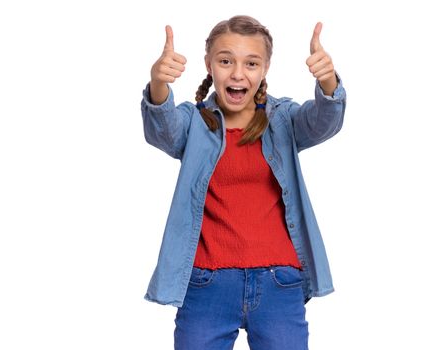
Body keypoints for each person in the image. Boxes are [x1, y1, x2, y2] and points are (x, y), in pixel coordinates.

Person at [141, 15, 346, 350]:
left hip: (279, 284)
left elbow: (321, 122)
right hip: (205, 284)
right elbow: (162, 130)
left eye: (251, 63)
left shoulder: (283, 119)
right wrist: (159, 84)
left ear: (264, 69)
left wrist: (327, 84)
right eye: (225, 61)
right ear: (209, 65)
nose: (238, 73)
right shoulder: (194, 122)